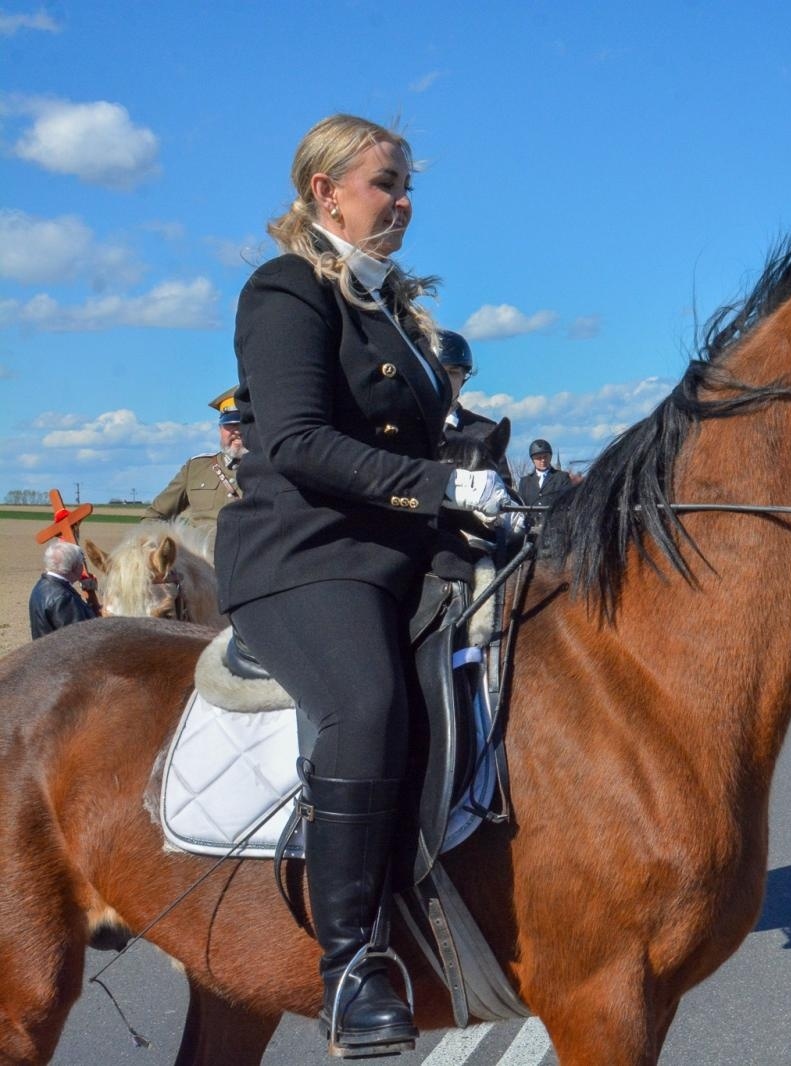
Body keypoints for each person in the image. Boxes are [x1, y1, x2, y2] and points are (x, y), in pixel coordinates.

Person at [213, 114, 511, 1057]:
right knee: (367, 702)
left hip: (404, 547)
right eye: (386, 182)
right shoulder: (287, 289)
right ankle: (353, 965)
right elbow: (297, 442)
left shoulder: (395, 314)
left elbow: (415, 446)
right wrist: (438, 485)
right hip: (307, 552)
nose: (405, 200)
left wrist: (478, 493)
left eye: (408, 183)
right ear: (324, 190)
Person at [142, 388, 247, 545]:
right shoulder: (196, 468)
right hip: (201, 565)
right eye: (230, 424)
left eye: (244, 423)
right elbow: (154, 517)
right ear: (220, 429)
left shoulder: (275, 469)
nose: (237, 431)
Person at [437, 329, 515, 486]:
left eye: (452, 373)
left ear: (464, 377)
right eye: (437, 371)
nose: (444, 379)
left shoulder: (485, 431)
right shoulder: (407, 428)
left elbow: (503, 489)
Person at [28, 540, 99, 638]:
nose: (82, 567)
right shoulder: (63, 598)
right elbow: (80, 637)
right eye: (81, 562)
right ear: (73, 566)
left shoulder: (41, 585)